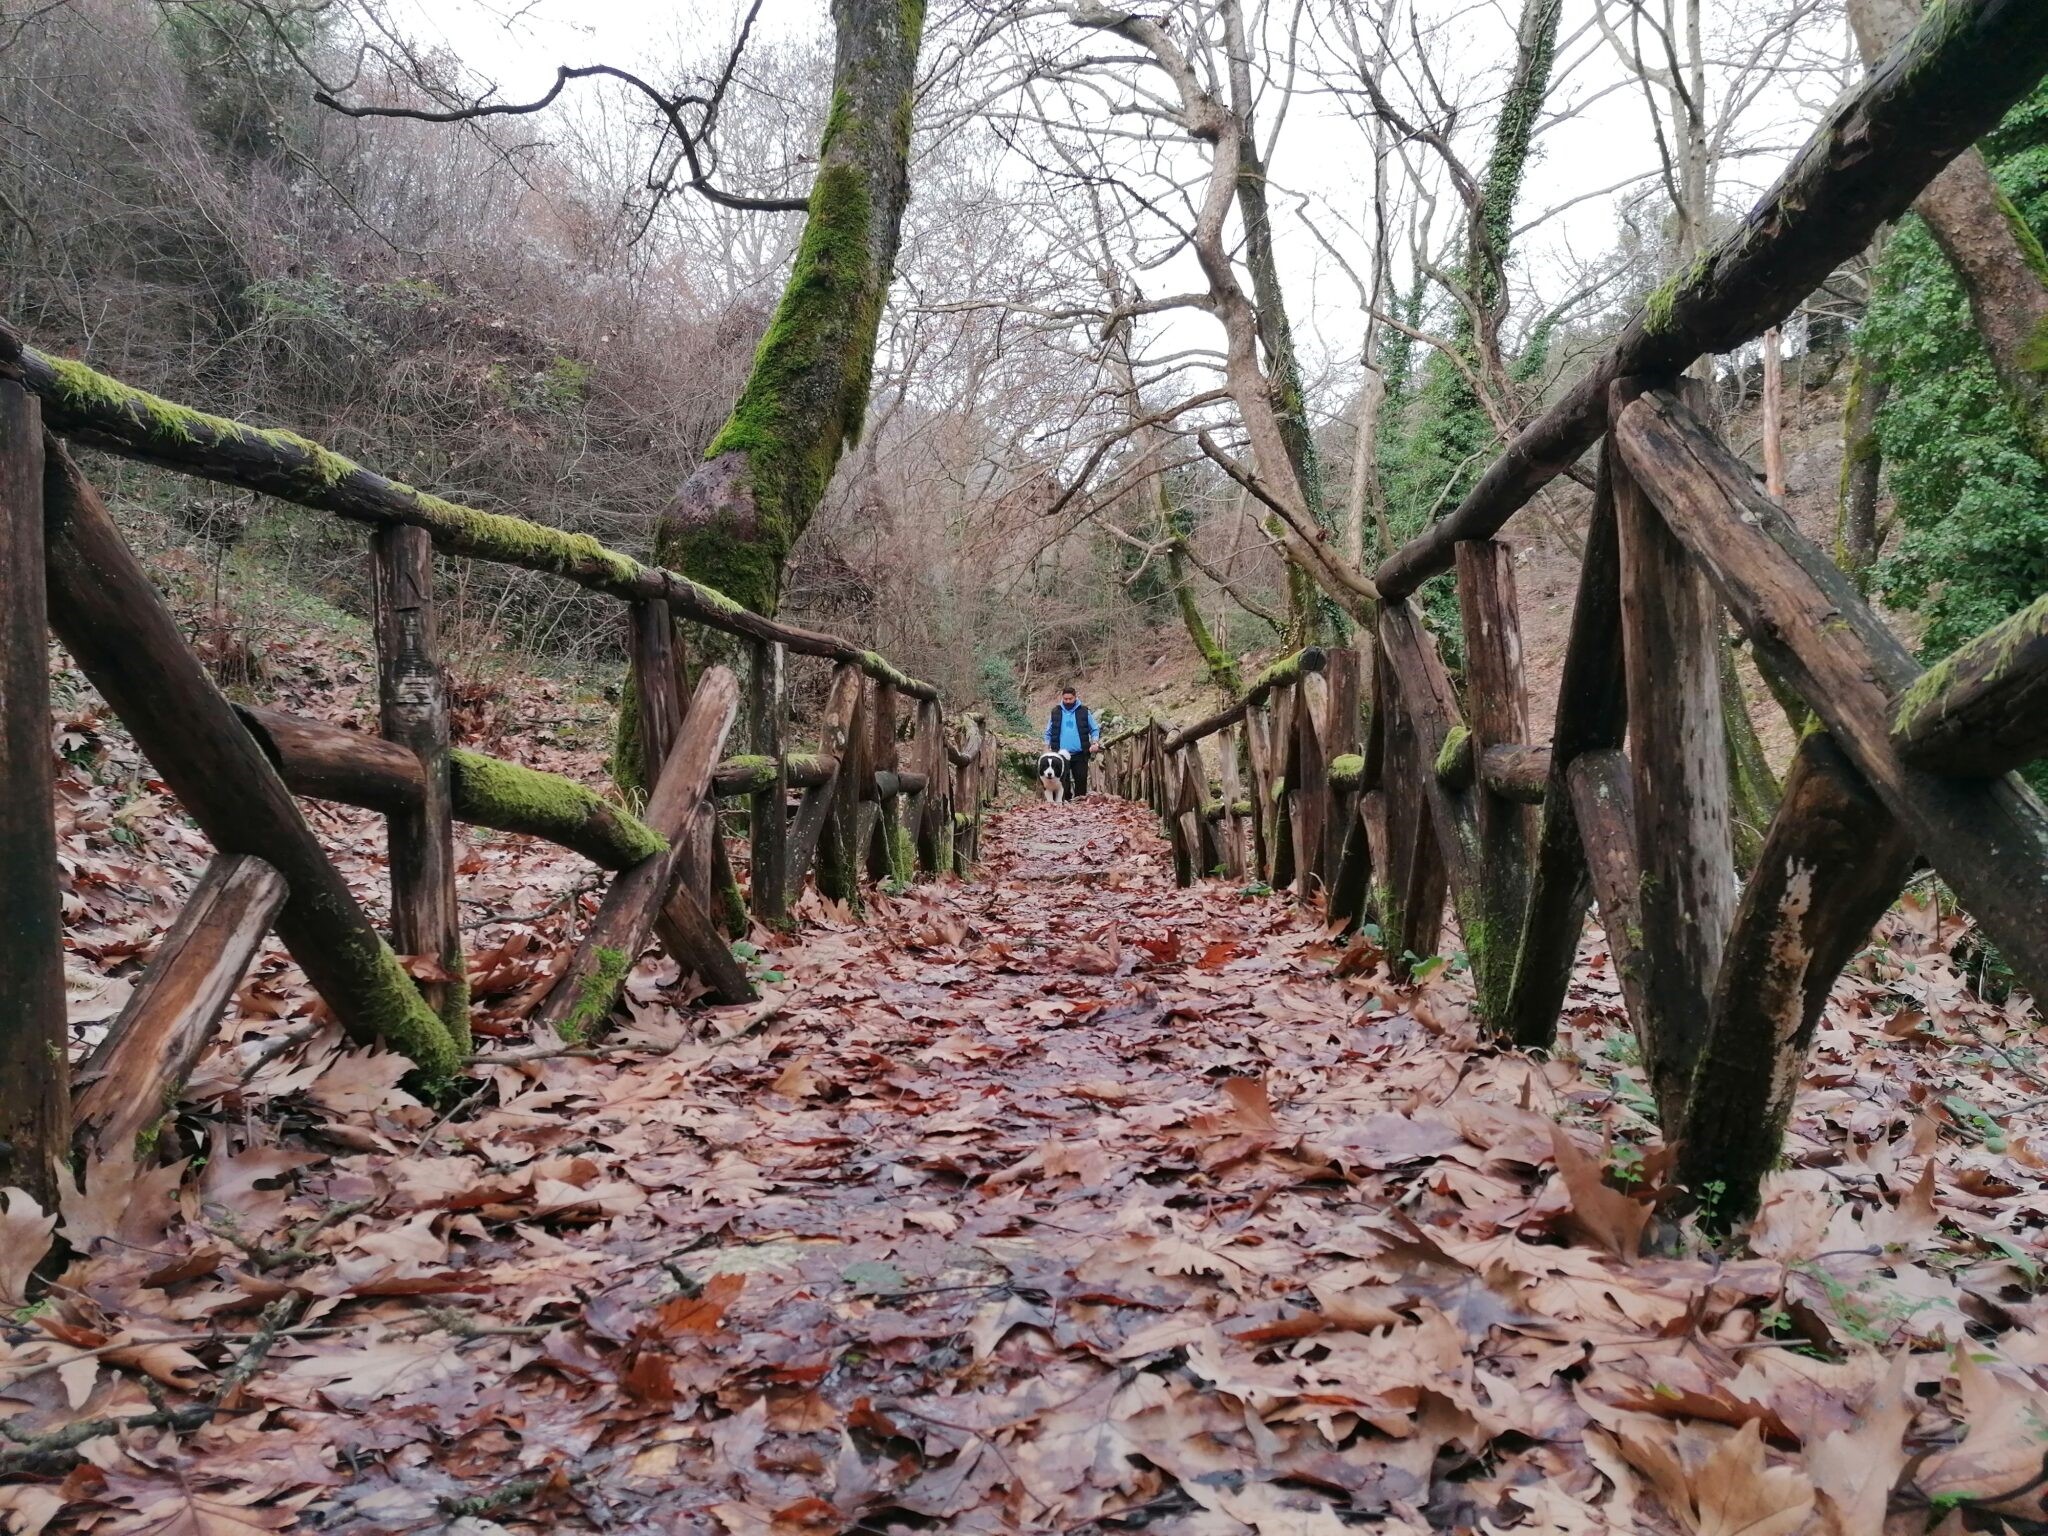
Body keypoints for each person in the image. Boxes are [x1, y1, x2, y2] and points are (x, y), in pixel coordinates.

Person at [1045, 685, 1099, 798]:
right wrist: (1046, 746)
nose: (1068, 701)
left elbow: (1094, 729)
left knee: (1081, 781)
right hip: (1060, 755)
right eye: (1065, 699)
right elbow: (1048, 732)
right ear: (1062, 698)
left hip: (1080, 754)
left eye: (1070, 699)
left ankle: (1081, 807)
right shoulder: (1055, 712)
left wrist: (1095, 742)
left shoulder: (1084, 711)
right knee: (1063, 783)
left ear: (1075, 697)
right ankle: (1066, 808)